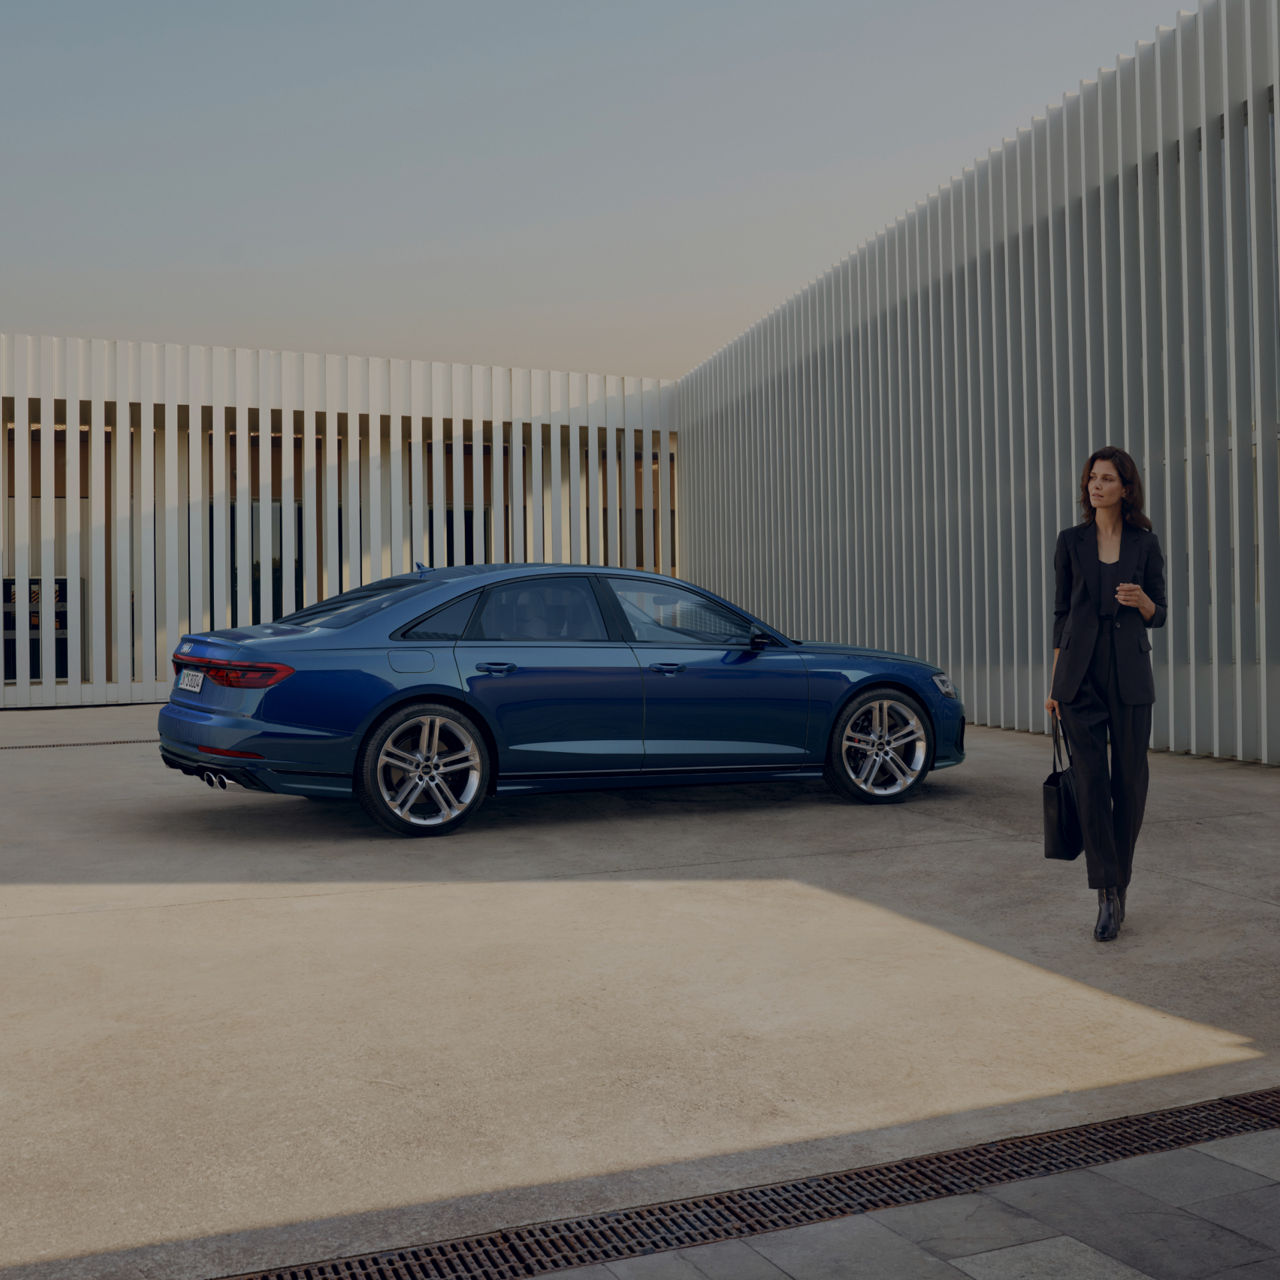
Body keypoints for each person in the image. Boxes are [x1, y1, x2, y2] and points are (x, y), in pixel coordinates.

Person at [1045, 446, 1167, 941]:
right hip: (1079, 678)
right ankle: (1106, 894)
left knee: (1129, 785)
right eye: (1092, 478)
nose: (1096, 485)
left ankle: (1122, 881)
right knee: (1092, 783)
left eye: (1107, 478)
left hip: (1130, 678)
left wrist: (1143, 603)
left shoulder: (1145, 543)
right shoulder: (1070, 541)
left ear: (1125, 487)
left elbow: (1162, 614)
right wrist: (1054, 684)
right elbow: (1060, 616)